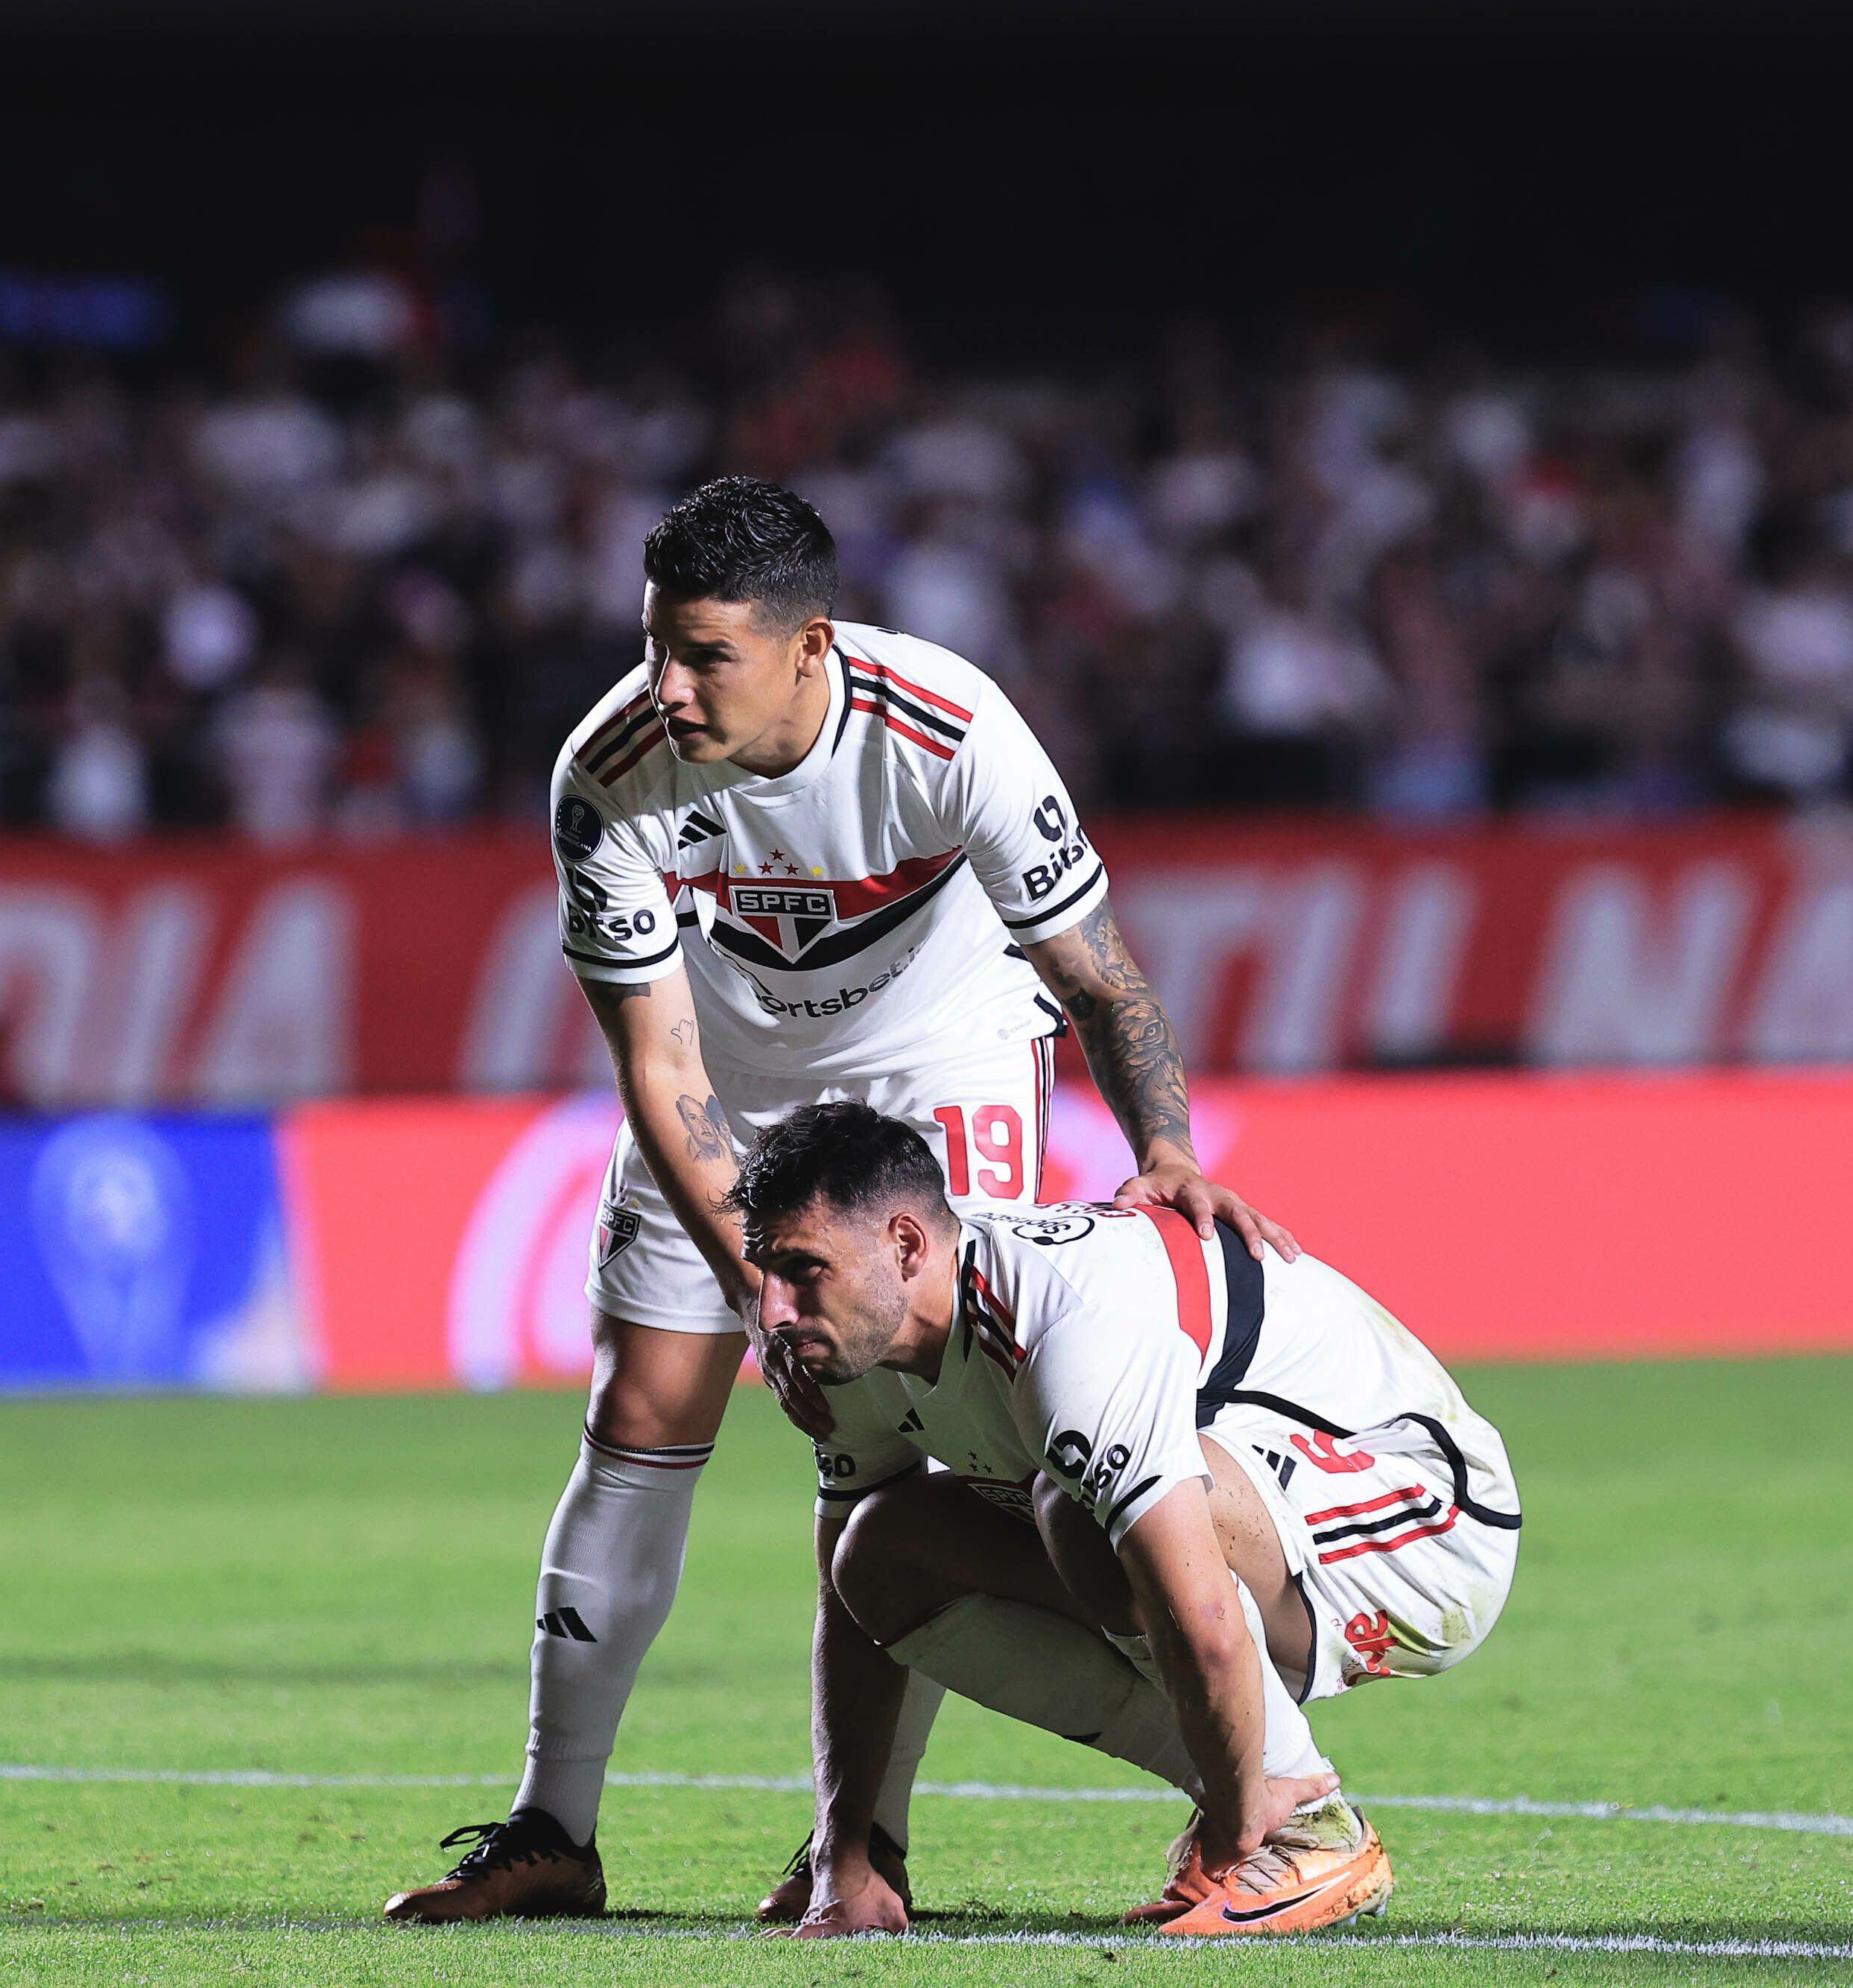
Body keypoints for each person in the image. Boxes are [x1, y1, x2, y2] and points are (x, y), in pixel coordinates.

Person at [386, 477, 1293, 1922]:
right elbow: (658, 1055)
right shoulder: (607, 771)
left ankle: (865, 1841)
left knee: (906, 1449)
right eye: (651, 648)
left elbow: (1092, 972)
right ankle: (552, 1825)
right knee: (638, 1411)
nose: (665, 688)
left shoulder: (952, 734)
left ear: (809, 643)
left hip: (940, 1071)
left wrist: (1164, 1142)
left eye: (702, 657)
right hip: (734, 1092)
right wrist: (758, 1275)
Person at [733, 1101, 1518, 1937]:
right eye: (764, 1271)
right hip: (1255, 1512)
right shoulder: (846, 1340)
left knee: (1074, 1509)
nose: (772, 1311)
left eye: (803, 1268)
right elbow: (851, 1612)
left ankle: (1304, 1825)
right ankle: (1241, 1797)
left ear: (904, 1245)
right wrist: (849, 1855)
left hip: (1422, 1521)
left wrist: (1240, 1809)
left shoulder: (1066, 1330)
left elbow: (1203, 1616)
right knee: (879, 1556)